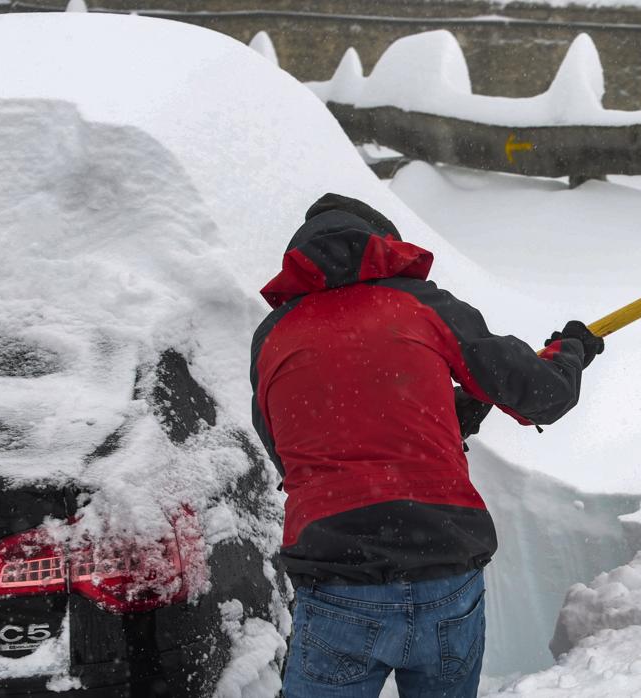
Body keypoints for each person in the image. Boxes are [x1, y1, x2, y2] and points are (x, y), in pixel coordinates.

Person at [249, 193, 603, 697]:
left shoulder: (273, 336)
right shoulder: (420, 304)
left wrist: (451, 415)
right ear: (384, 246)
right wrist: (569, 353)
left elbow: (292, 449)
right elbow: (541, 396)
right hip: (444, 568)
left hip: (337, 581)